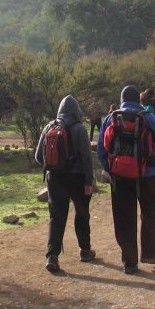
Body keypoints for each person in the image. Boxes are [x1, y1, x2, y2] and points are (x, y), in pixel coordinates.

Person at [98, 86, 155, 275]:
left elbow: (101, 149)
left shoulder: (111, 118)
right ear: (138, 100)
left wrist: (111, 169)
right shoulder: (148, 117)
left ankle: (129, 262)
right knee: (151, 212)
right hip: (147, 175)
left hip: (120, 175)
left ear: (121, 99)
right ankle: (148, 253)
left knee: (124, 216)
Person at [35, 95, 96, 273]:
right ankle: (85, 251)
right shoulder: (79, 128)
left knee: (57, 217)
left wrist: (54, 166)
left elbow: (39, 157)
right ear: (76, 111)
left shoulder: (49, 126)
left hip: (55, 178)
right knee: (82, 213)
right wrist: (88, 180)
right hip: (77, 178)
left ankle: (52, 256)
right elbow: (86, 157)